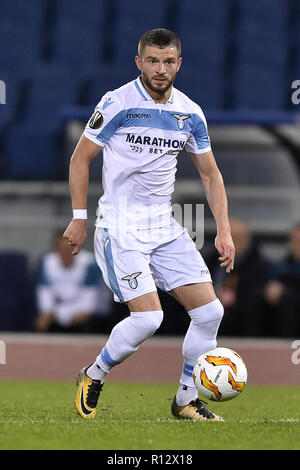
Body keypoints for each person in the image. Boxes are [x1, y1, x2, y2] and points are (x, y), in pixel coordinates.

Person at [63, 29, 235, 421]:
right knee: (149, 318)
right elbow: (80, 158)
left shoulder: (190, 112)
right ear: (139, 62)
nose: (161, 69)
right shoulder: (116, 102)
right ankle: (94, 373)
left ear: (179, 64)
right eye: (153, 61)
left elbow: (211, 175)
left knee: (210, 313)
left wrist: (223, 230)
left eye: (168, 61)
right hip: (120, 226)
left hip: (164, 226)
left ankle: (186, 399)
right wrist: (78, 218)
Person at [35, 232, 113, 333]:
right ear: (56, 250)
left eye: (69, 250)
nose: (66, 254)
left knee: (86, 323)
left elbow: (89, 297)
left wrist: (78, 313)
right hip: (58, 310)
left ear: (77, 249)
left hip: (85, 312)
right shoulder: (47, 262)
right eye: (62, 250)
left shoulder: (89, 263)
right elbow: (45, 291)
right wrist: (47, 312)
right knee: (42, 322)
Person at [207, 218, 270, 336]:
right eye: (230, 238)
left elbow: (257, 290)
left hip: (239, 308)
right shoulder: (211, 259)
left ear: (248, 240)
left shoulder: (258, 263)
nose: (233, 243)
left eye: (238, 238)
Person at [262, 223, 300, 337]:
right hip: (281, 306)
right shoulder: (282, 265)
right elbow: (272, 282)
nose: (298, 245)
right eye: (295, 241)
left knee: (289, 298)